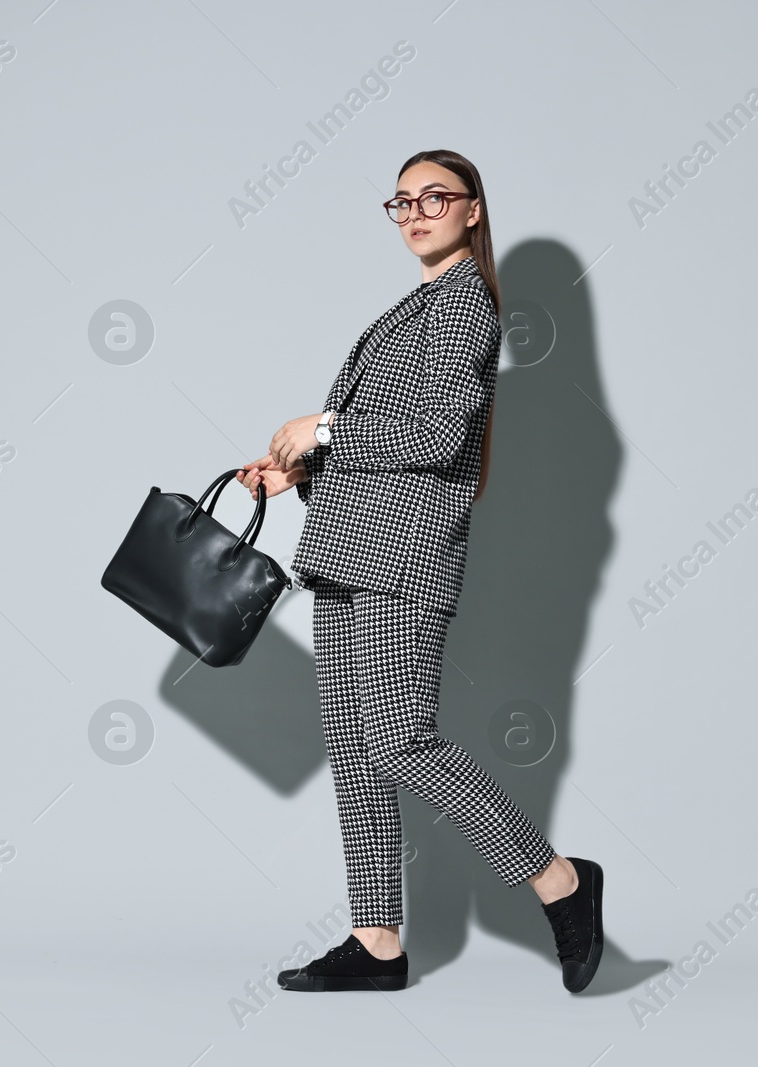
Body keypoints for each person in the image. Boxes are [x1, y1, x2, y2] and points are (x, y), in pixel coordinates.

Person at [236, 149, 604, 994]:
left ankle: (560, 880)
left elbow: (438, 433)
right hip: (346, 551)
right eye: (401, 201)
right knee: (357, 750)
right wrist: (300, 471)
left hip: (403, 558)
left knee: (401, 739)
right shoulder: (420, 302)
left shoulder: (467, 300)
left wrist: (324, 426)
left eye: (434, 196)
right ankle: (376, 942)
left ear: (474, 210)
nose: (415, 211)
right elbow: (398, 438)